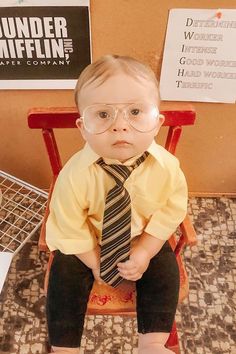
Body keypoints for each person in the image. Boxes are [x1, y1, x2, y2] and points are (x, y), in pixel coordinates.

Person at [45, 54, 188, 354]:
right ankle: (64, 347)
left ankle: (151, 342)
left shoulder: (167, 167)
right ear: (82, 127)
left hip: (142, 234)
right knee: (64, 273)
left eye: (135, 112)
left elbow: (172, 208)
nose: (120, 126)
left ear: (157, 122)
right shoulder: (75, 175)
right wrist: (95, 260)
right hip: (90, 240)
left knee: (164, 269)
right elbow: (68, 223)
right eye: (103, 115)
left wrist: (146, 249)